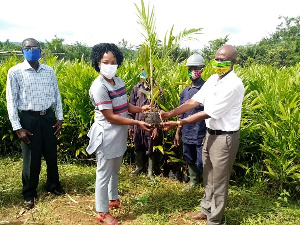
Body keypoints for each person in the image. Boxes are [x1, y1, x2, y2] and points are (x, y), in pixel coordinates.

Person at [161, 45, 245, 225]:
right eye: (217, 58)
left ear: (234, 62)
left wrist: (178, 123)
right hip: (210, 133)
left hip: (225, 137)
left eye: (223, 59)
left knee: (219, 179)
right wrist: (170, 114)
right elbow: (194, 101)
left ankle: (214, 220)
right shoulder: (214, 78)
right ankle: (206, 210)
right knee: (208, 174)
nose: (219, 62)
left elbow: (208, 112)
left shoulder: (233, 85)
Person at [86, 43, 151, 225]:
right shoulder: (99, 87)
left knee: (115, 169)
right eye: (106, 62)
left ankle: (113, 199)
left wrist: (140, 108)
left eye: (113, 61)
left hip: (119, 133)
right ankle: (102, 211)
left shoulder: (119, 81)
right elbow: (111, 116)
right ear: (98, 63)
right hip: (106, 133)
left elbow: (124, 106)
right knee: (104, 173)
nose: (110, 65)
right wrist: (137, 121)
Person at [6, 38, 65, 210]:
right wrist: (17, 127)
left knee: (51, 154)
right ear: (22, 50)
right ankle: (29, 193)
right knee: (31, 159)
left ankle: (53, 185)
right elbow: (11, 100)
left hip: (48, 117)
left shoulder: (49, 71)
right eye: (27, 47)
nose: (32, 50)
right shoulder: (15, 72)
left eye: (35, 47)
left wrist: (59, 118)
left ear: (40, 51)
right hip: (28, 119)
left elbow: (56, 95)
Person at [174, 54, 207, 190]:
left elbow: (211, 113)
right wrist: (177, 132)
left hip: (201, 132)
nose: (193, 71)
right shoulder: (185, 91)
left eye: (196, 68)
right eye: (190, 68)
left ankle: (206, 184)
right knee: (189, 157)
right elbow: (181, 113)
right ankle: (194, 182)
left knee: (202, 161)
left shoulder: (206, 89)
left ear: (202, 70)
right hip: (187, 132)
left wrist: (207, 134)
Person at [128, 69, 163, 178]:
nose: (144, 74)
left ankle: (150, 171)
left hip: (151, 123)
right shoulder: (136, 88)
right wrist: (131, 126)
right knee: (138, 144)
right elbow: (131, 107)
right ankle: (139, 168)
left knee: (151, 145)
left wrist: (156, 127)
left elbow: (160, 109)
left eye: (146, 71)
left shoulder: (157, 89)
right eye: (142, 71)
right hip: (138, 122)